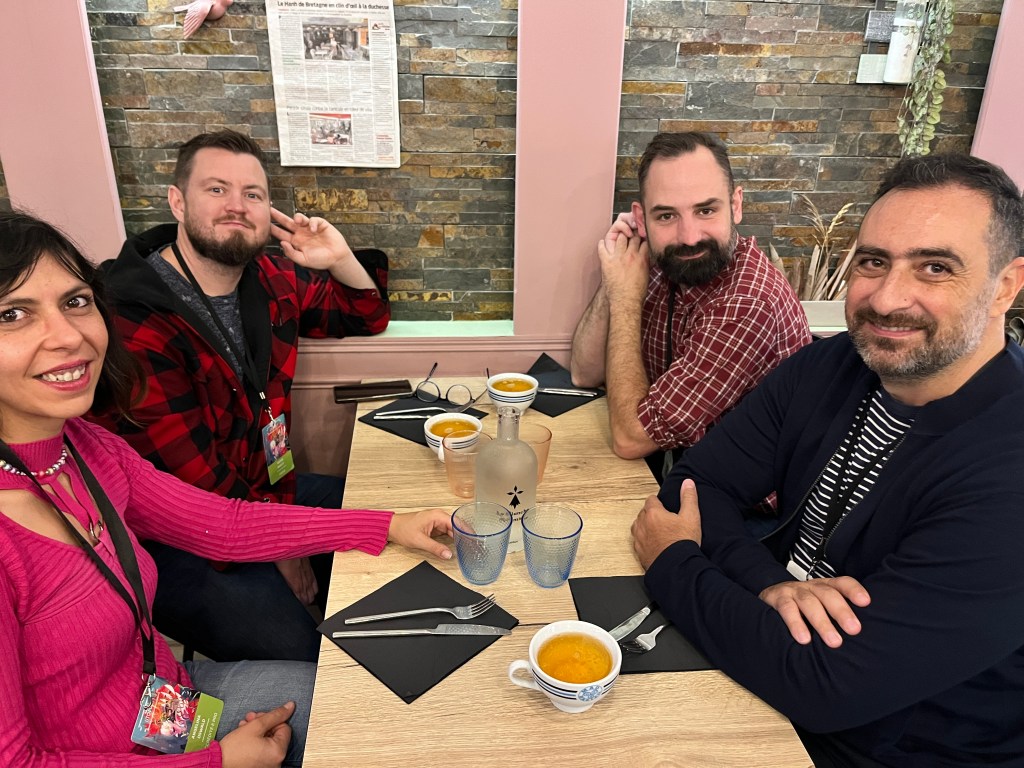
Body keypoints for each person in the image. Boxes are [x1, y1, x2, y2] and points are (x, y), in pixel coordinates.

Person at [0, 210, 454, 767]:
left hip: (168, 707)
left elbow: (225, 523)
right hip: (123, 753)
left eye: (75, 302)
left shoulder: (87, 447)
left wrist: (387, 524)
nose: (69, 336)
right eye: (12, 314)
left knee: (378, 700)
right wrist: (215, 762)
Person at [631, 153, 1024, 767]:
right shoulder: (834, 363)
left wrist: (673, 560)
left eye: (935, 267)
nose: (887, 298)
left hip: (890, 747)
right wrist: (769, 585)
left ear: (1005, 286)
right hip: (764, 663)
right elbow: (694, 484)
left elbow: (825, 685)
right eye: (873, 262)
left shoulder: (1007, 473)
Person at [93, 129, 390, 663]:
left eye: (252, 194)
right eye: (217, 189)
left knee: (386, 528)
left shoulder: (270, 278)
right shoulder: (133, 320)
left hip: (269, 489)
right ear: (177, 202)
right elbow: (198, 482)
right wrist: (288, 549)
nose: (237, 205)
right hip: (182, 536)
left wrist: (338, 255)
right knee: (305, 657)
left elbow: (366, 314)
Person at [570, 132, 811, 479]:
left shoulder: (747, 303)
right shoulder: (664, 263)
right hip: (677, 468)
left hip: (740, 497)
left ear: (736, 205)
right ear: (642, 219)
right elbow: (584, 373)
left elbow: (630, 439)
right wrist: (616, 277)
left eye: (706, 210)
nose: (689, 237)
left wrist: (624, 298)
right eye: (666, 216)